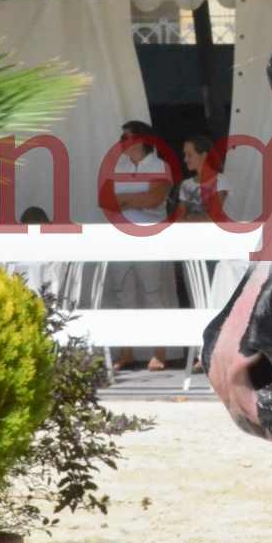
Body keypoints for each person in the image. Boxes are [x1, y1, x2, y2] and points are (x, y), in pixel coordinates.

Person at [101, 120, 175, 371]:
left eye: (126, 137)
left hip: (148, 236)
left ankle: (160, 353)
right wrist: (135, 200)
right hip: (119, 237)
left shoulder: (159, 165)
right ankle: (127, 352)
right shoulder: (117, 165)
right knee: (123, 294)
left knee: (153, 293)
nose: (121, 141)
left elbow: (155, 199)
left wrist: (125, 200)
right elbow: (105, 200)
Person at [176, 134, 231, 220]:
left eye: (189, 155)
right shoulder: (186, 183)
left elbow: (212, 217)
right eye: (185, 155)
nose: (185, 159)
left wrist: (188, 218)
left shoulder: (220, 180)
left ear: (204, 155)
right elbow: (179, 216)